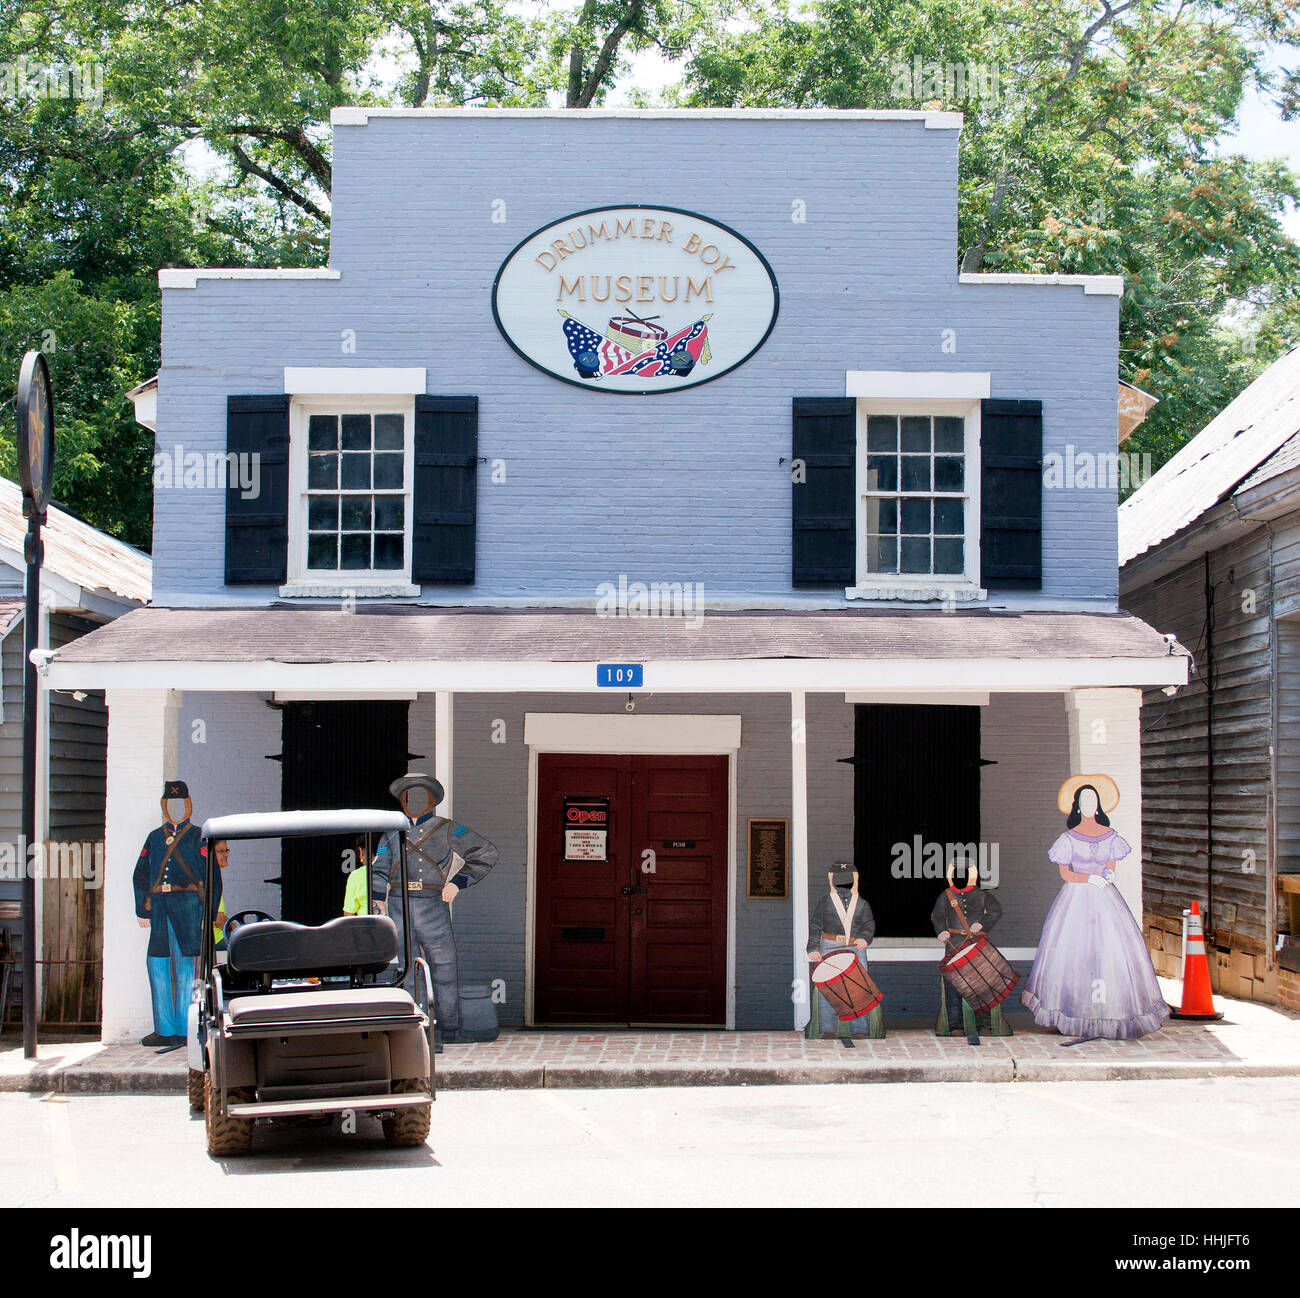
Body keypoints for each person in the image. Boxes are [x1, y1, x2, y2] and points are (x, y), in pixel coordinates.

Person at [1021, 773, 1170, 1040]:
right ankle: (1075, 1011)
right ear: (1077, 805)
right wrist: (1088, 878)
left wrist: (1106, 877)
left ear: (1099, 804)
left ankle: (1109, 1013)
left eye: (1093, 800)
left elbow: (1110, 866)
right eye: (1084, 801)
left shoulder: (1111, 836)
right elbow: (1066, 874)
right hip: (1076, 897)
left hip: (1105, 897)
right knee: (1075, 951)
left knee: (1110, 952)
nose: (1089, 806)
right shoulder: (1068, 839)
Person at [370, 772, 498, 1050]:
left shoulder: (448, 829)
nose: (414, 800)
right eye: (408, 795)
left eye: (420, 794)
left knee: (444, 966)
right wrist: (378, 899)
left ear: (431, 800)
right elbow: (380, 868)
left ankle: (448, 1027)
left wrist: (457, 883)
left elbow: (485, 853)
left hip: (432, 902)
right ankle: (416, 1025)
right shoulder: (391, 832)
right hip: (400, 905)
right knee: (408, 967)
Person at [132, 781, 221, 1048]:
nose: (175, 809)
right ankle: (164, 1029)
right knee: (157, 964)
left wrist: (208, 910)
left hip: (188, 906)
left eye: (180, 803)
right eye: (170, 804)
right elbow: (140, 873)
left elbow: (212, 877)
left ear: (188, 805)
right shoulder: (154, 837)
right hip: (159, 907)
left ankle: (185, 1028)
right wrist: (142, 907)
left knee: (186, 966)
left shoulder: (198, 836)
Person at [806, 863, 876, 1037]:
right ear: (831, 879)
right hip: (829, 944)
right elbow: (815, 925)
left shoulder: (862, 904)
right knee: (827, 987)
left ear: (855, 879)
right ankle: (828, 1028)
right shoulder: (825, 902)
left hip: (855, 946)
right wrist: (813, 947)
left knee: (859, 988)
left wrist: (864, 938)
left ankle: (859, 1029)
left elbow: (869, 924)